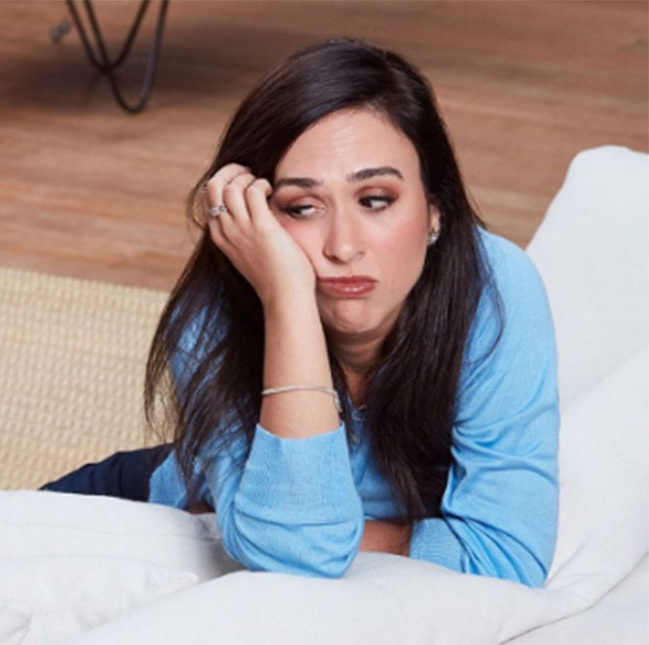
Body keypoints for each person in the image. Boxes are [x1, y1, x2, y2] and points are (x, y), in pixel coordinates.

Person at [40, 37, 559, 587]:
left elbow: (506, 560)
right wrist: (286, 296)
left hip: (224, 503)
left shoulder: (495, 289)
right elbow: (296, 551)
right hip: (148, 502)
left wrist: (295, 531)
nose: (343, 246)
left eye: (375, 200)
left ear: (435, 209)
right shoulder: (211, 310)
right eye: (302, 208)